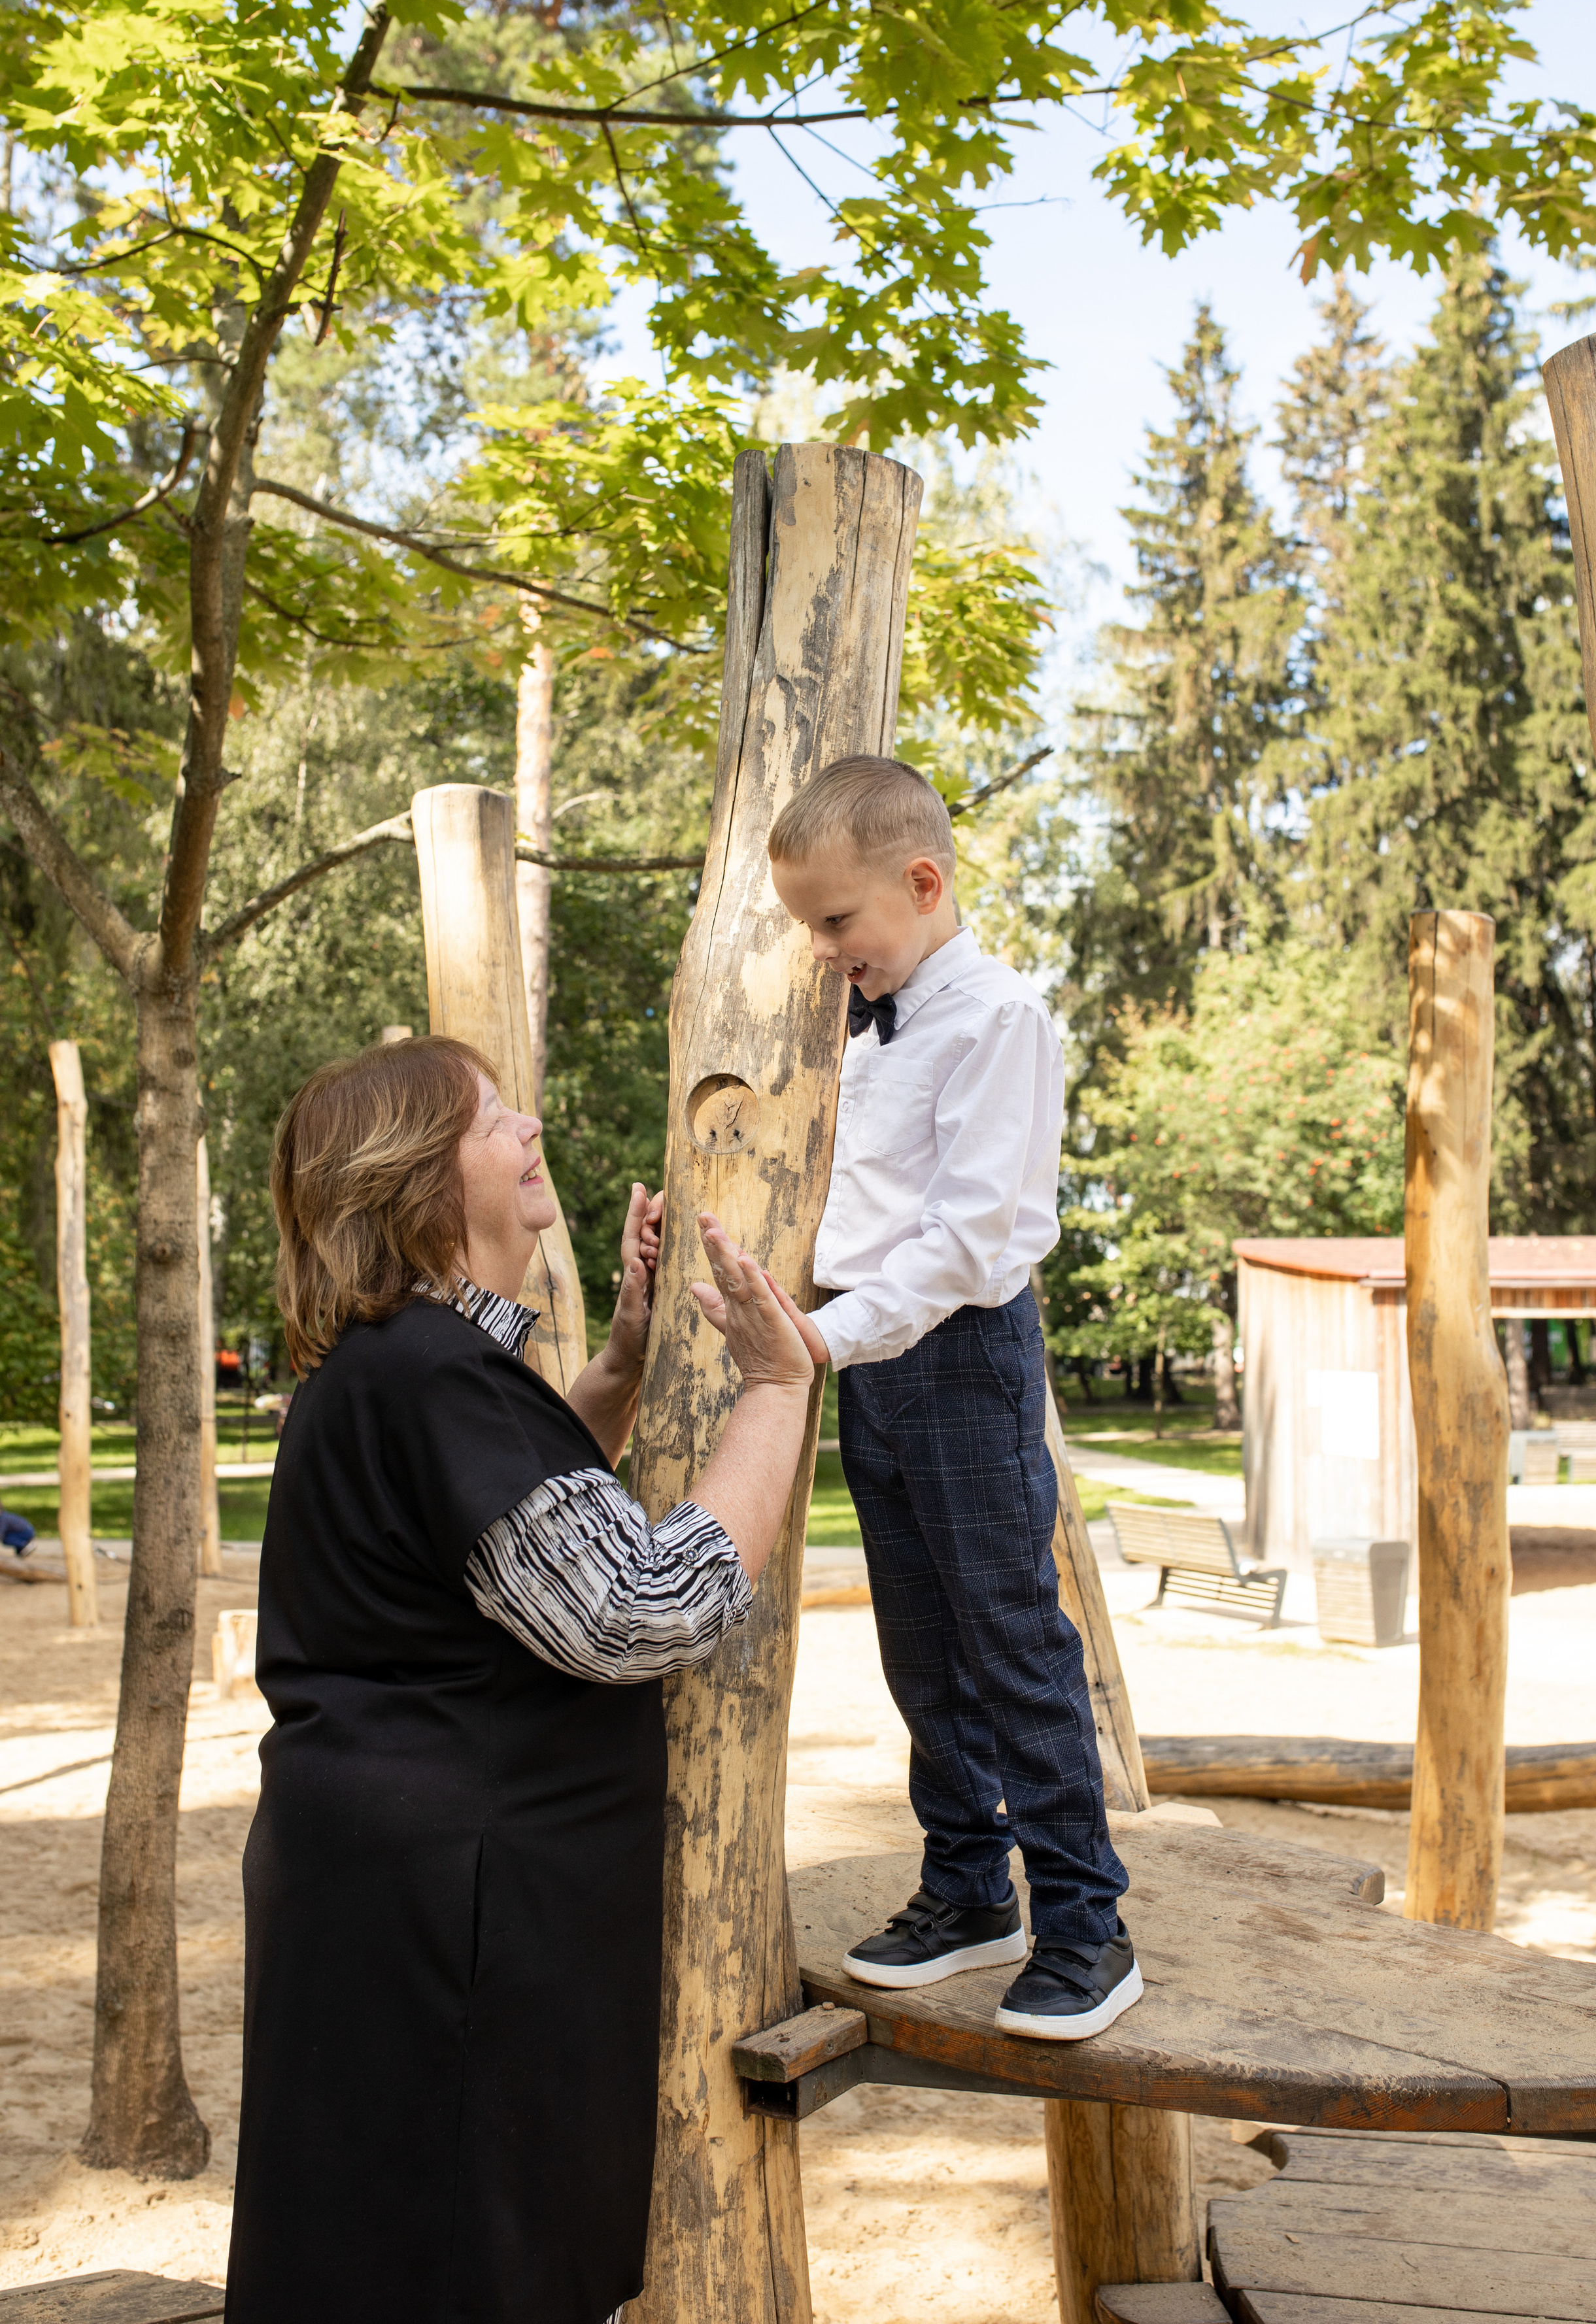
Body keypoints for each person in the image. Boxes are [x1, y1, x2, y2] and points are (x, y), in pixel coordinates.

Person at [224, 1035, 813, 2324]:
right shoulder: (435, 1377)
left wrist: (618, 1360)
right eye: (492, 1118)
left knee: (368, 2253)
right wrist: (775, 1390)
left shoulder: (396, 1371)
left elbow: (505, 1547)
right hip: (455, 1929)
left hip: (389, 1908)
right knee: (464, 2269)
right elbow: (634, 1606)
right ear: (423, 1178)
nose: (529, 1125)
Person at [768, 754, 1138, 2044]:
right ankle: (969, 1888)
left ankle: (1085, 1922)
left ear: (922, 884)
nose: (822, 951)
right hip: (869, 1358)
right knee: (920, 1649)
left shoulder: (993, 1016)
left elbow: (977, 1237)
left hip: (961, 1351)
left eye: (834, 923)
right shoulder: (861, 1016)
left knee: (1008, 1640)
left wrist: (824, 1335)